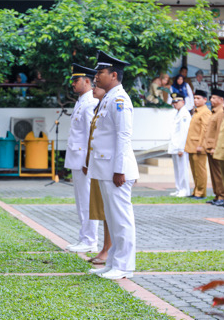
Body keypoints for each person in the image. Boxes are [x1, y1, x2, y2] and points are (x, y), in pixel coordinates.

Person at [87, 51, 139, 280]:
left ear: (114, 75)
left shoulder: (120, 100)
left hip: (116, 170)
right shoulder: (109, 97)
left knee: (121, 218)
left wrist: (120, 170)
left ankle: (125, 266)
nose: (96, 77)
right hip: (107, 169)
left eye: (100, 73)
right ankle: (114, 262)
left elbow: (123, 136)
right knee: (112, 217)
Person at [64, 64, 99, 253]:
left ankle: (90, 240)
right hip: (77, 159)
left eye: (76, 80)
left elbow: (90, 136)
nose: (73, 84)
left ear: (87, 81)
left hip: (83, 160)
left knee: (87, 201)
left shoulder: (91, 102)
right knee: (81, 201)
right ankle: (84, 237)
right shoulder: (81, 101)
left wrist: (88, 161)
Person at [84, 85, 112, 264]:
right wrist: (88, 161)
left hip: (108, 167)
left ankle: (108, 250)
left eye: (97, 85)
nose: (93, 88)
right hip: (98, 165)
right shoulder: (100, 106)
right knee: (102, 210)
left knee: (109, 211)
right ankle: (106, 248)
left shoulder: (113, 103)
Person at [184, 89, 211, 200]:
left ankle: (201, 192)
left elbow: (205, 130)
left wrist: (202, 145)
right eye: (195, 98)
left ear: (205, 100)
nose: (196, 100)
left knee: (200, 170)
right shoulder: (196, 111)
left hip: (198, 146)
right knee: (195, 170)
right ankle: (196, 191)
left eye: (198, 98)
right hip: (192, 145)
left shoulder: (205, 112)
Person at [201, 89, 224, 206]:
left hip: (215, 147)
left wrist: (215, 147)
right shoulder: (214, 112)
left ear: (221, 100)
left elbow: (219, 132)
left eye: (214, 98)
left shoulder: (221, 112)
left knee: (219, 174)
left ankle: (222, 195)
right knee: (214, 173)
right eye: (211, 98)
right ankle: (217, 195)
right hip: (210, 147)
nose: (211, 100)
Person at [168, 93, 191, 197]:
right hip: (175, 146)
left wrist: (182, 148)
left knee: (183, 170)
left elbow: (184, 132)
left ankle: (185, 190)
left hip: (180, 147)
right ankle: (179, 188)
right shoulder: (177, 113)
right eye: (174, 102)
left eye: (177, 102)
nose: (174, 104)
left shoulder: (184, 114)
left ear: (183, 102)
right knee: (177, 170)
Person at [212, 90, 224, 208]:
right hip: (220, 150)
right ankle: (222, 197)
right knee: (222, 176)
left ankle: (223, 196)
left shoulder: (221, 115)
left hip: (223, 150)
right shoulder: (223, 116)